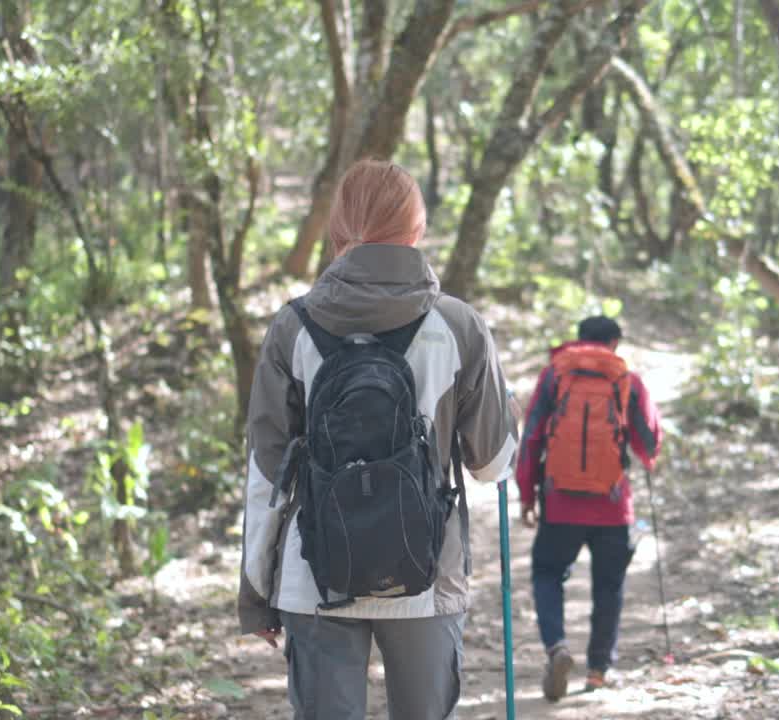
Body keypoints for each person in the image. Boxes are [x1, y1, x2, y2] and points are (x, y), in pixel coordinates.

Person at [238, 159, 518, 720]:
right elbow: (492, 465)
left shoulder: (292, 327)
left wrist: (256, 591)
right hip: (426, 572)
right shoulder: (459, 326)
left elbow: (265, 476)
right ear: (417, 230)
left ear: (339, 230)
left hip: (313, 572)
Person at [515, 315, 662, 700]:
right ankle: (598, 670)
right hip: (612, 506)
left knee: (548, 573)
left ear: (578, 340)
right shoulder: (627, 379)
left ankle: (557, 647)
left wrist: (527, 494)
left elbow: (531, 437)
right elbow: (649, 445)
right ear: (614, 343)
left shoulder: (555, 375)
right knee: (609, 586)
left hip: (561, 502)